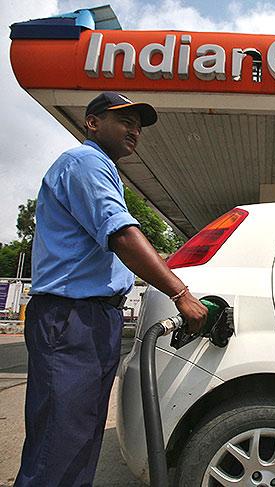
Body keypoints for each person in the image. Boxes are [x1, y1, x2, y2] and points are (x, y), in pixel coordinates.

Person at [15, 92, 208, 486]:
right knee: (60, 442)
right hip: (70, 320)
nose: (134, 129)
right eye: (124, 120)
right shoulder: (85, 163)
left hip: (93, 319)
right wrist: (181, 293)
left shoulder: (102, 170)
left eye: (138, 124)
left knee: (79, 436)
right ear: (92, 123)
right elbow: (121, 235)